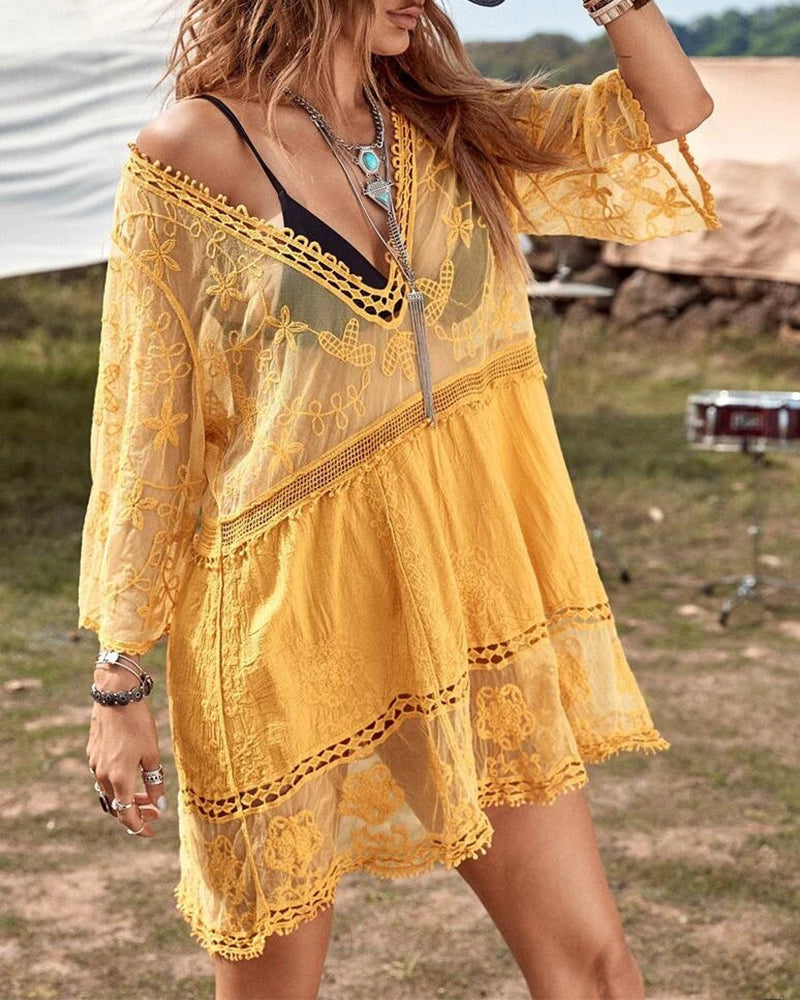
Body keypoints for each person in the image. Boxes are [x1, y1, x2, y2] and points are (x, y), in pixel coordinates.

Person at [79, 0, 719, 997]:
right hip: (280, 625)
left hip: (466, 600)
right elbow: (146, 428)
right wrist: (119, 676)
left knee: (593, 967)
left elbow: (666, 109)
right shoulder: (189, 150)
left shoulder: (452, 123)